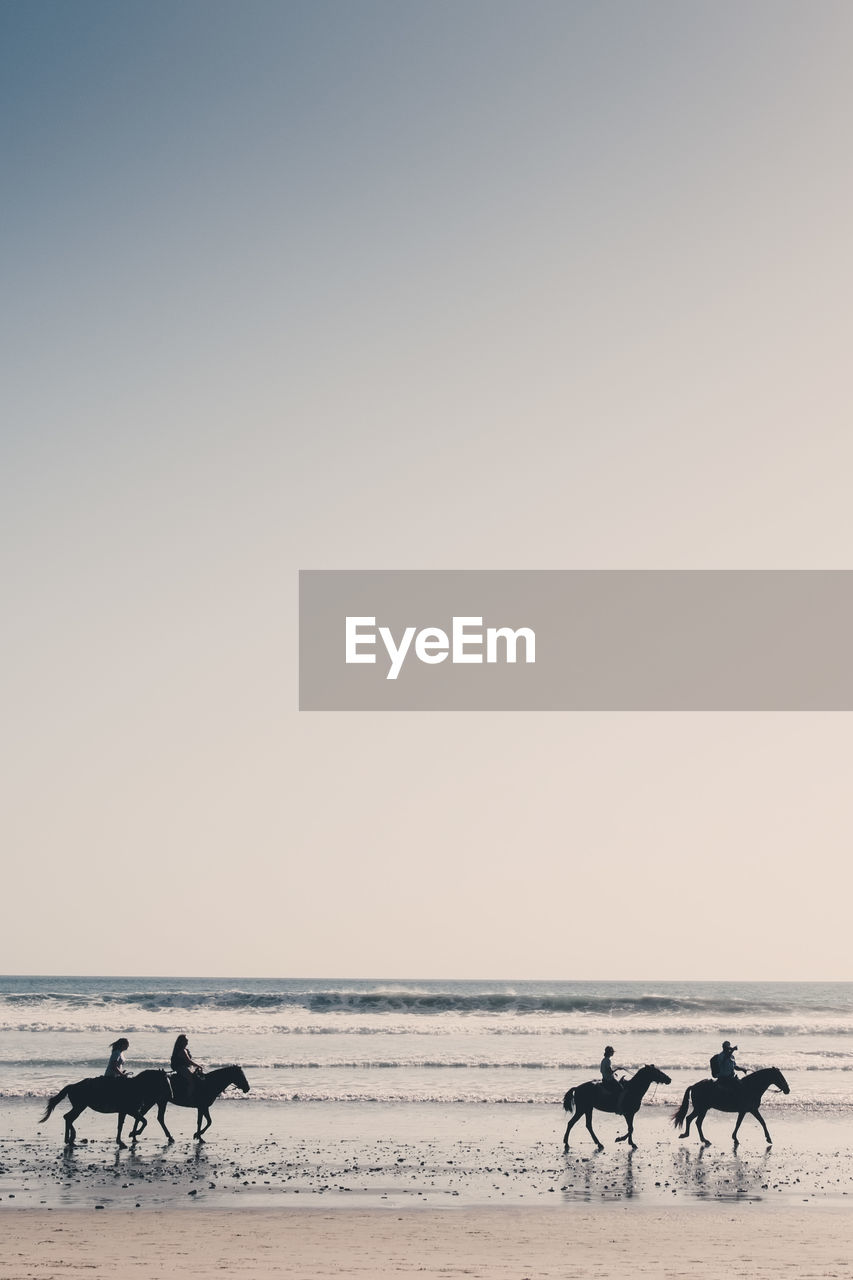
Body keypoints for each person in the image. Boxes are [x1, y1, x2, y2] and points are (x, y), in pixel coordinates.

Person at [171, 1034, 204, 1100]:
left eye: (187, 1040)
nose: (187, 1042)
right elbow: (189, 1061)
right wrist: (199, 1066)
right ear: (181, 1041)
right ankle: (189, 1097)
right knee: (191, 1081)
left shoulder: (184, 1049)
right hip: (181, 1068)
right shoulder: (182, 1050)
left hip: (186, 1067)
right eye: (186, 1040)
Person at [600, 1045, 624, 1111]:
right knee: (621, 1089)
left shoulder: (603, 1060)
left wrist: (614, 1073)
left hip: (604, 1078)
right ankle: (619, 1106)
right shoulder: (608, 1061)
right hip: (609, 1080)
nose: (613, 1053)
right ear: (609, 1053)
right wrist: (617, 1069)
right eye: (612, 1052)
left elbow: (604, 1071)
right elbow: (610, 1071)